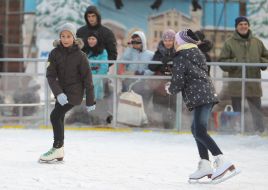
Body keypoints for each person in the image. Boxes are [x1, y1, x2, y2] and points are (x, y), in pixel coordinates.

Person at [165, 29, 236, 181]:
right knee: (196, 129)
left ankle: (221, 160)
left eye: (176, 40)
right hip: (208, 94)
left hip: (200, 97)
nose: (175, 43)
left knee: (199, 131)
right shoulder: (198, 53)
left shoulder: (180, 57)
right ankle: (205, 165)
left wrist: (169, 89)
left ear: (181, 42)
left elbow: (178, 81)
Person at [39, 23, 96, 162]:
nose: (65, 39)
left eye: (68, 36)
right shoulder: (54, 53)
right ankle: (60, 149)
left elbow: (88, 79)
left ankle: (57, 147)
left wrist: (90, 100)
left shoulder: (81, 56)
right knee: (59, 117)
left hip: (75, 93)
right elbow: (50, 75)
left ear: (74, 37)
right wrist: (58, 93)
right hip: (62, 93)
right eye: (63, 36)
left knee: (54, 116)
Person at [218, 16, 268, 133]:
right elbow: (222, 62)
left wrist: (261, 62)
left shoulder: (257, 42)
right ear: (236, 27)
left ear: (248, 26)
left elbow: (266, 56)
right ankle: (239, 130)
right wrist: (235, 62)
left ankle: (259, 131)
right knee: (237, 110)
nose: (243, 26)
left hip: (253, 83)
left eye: (245, 24)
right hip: (237, 84)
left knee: (256, 110)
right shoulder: (229, 43)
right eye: (240, 24)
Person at [120, 30, 154, 123]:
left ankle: (142, 121)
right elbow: (122, 62)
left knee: (143, 104)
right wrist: (129, 48)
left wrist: (140, 73)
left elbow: (152, 70)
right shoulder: (130, 52)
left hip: (143, 83)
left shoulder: (150, 55)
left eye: (138, 41)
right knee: (128, 103)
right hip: (129, 82)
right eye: (133, 41)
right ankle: (127, 120)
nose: (135, 44)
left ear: (143, 42)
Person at [148, 29, 176, 129]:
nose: (167, 43)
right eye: (165, 40)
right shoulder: (159, 52)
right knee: (162, 108)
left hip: (174, 84)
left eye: (170, 40)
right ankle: (163, 128)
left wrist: (172, 60)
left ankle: (173, 127)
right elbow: (151, 66)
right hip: (161, 86)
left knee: (174, 107)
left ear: (174, 41)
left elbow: (183, 65)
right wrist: (161, 61)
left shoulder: (179, 51)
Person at [86, 31, 108, 100]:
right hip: (85, 78)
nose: (90, 41)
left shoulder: (103, 51)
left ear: (98, 40)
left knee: (94, 98)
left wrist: (94, 80)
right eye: (89, 38)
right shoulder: (86, 50)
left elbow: (104, 67)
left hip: (95, 78)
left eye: (93, 39)